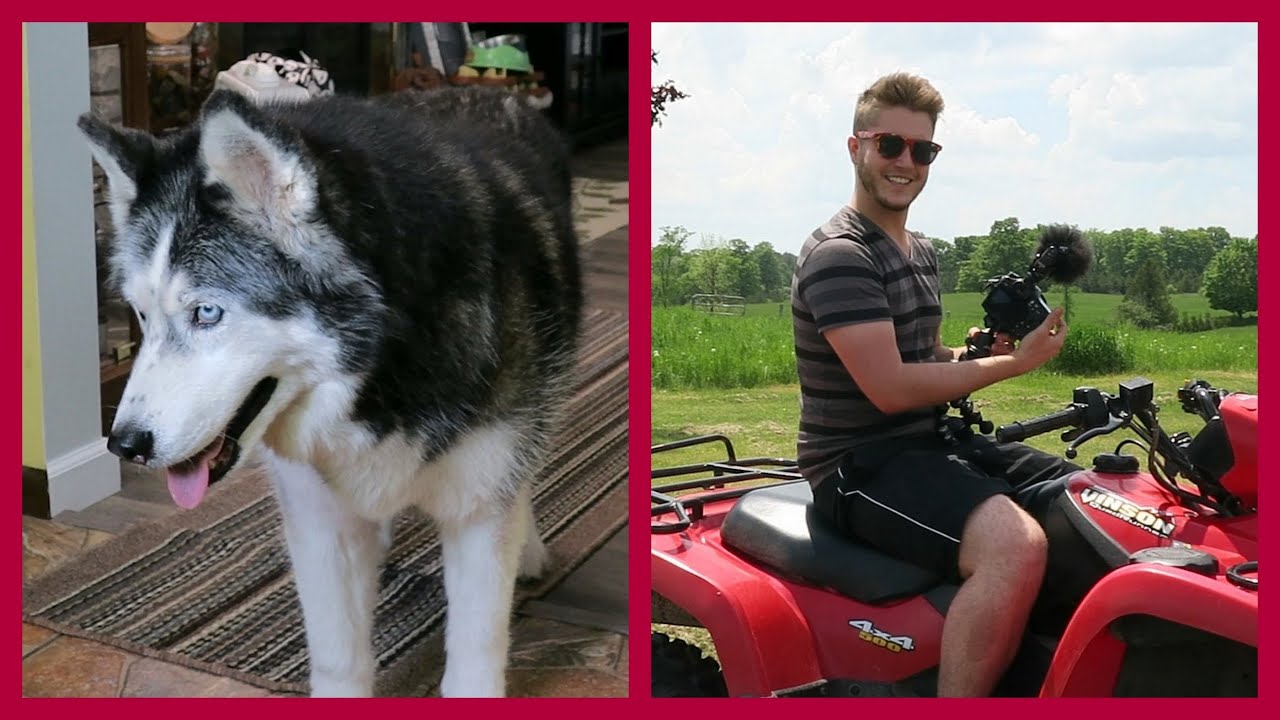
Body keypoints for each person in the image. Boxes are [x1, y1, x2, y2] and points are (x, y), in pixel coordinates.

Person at [790, 72, 1082, 697]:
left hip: (926, 445)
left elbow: (923, 360)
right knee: (1016, 546)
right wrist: (1017, 364)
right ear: (855, 148)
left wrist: (974, 353)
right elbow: (891, 389)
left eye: (923, 150)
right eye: (889, 145)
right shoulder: (841, 255)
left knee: (1085, 501)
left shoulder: (919, 250)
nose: (906, 163)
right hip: (855, 463)